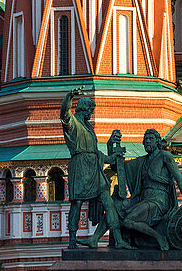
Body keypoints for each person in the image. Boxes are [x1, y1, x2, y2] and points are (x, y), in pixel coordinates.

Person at [60, 89, 127, 249]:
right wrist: (69, 96)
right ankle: (72, 240)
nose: (92, 113)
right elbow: (64, 114)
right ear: (84, 109)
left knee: (108, 203)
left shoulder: (89, 128)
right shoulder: (73, 123)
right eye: (90, 110)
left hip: (94, 168)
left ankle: (118, 240)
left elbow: (98, 153)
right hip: (80, 166)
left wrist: (113, 150)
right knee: (77, 203)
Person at [118, 128, 182, 250]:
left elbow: (179, 178)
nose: (148, 141)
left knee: (128, 221)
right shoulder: (142, 161)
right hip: (142, 198)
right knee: (117, 210)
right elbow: (120, 166)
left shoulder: (165, 156)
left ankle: (159, 237)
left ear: (157, 142)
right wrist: (113, 149)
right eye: (146, 139)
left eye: (151, 139)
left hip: (159, 200)